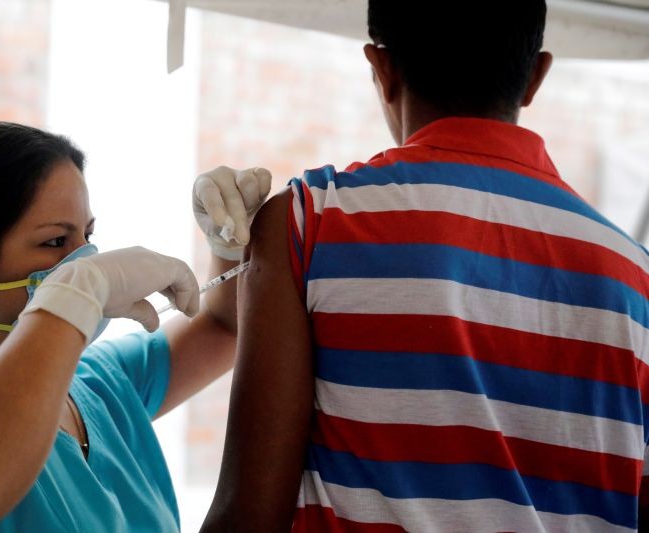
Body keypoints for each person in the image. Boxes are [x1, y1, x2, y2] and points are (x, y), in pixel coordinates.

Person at [202, 1, 649, 531]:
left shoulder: (311, 222)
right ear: (535, 76)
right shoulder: (635, 280)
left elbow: (248, 515)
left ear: (381, 70)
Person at [0, 122, 271, 532]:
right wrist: (75, 296)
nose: (86, 260)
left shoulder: (98, 383)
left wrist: (229, 242)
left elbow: (222, 327)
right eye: (55, 242)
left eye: (87, 236)